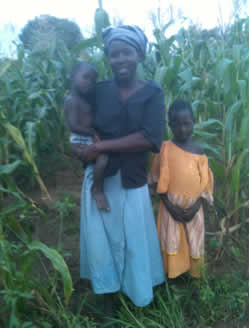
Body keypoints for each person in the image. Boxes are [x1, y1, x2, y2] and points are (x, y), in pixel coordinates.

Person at [73, 25, 166, 312]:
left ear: (139, 54)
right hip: (100, 179)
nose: (120, 59)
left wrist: (102, 147)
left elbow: (150, 138)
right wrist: (80, 147)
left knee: (134, 240)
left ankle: (138, 296)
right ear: (108, 59)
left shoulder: (152, 92)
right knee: (102, 244)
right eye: (114, 55)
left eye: (127, 52)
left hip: (132, 180)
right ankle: (107, 300)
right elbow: (79, 121)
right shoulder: (99, 92)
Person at [148, 100, 214, 279]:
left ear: (193, 122)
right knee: (172, 240)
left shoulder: (199, 152)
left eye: (187, 124)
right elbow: (155, 180)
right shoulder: (164, 149)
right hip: (171, 209)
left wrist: (196, 206)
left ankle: (195, 276)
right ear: (170, 126)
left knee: (193, 240)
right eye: (177, 125)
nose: (182, 129)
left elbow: (205, 183)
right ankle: (172, 275)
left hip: (194, 210)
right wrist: (169, 206)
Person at [64, 62, 110, 211]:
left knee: (102, 156)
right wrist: (92, 133)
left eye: (92, 80)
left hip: (87, 137)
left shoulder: (84, 99)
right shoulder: (72, 100)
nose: (89, 82)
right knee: (103, 157)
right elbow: (73, 125)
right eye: (85, 77)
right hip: (80, 140)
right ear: (72, 76)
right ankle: (97, 189)